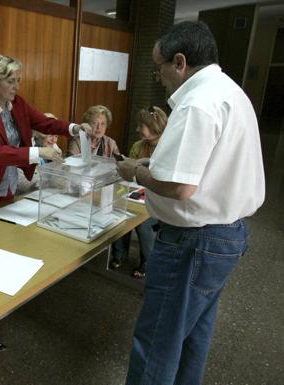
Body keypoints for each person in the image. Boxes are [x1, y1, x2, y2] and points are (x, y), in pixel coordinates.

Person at [117, 21, 264, 385]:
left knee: (157, 343)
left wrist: (135, 172)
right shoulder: (229, 91)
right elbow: (207, 166)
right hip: (225, 237)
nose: (158, 77)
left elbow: (180, 187)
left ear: (179, 62)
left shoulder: (196, 102)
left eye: (159, 67)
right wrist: (154, 165)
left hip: (192, 243)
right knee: (194, 335)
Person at [0, 54, 90, 212]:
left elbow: (45, 122)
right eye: (11, 81)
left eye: (18, 80)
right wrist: (39, 152)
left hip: (9, 186)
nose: (17, 86)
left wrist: (74, 128)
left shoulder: (18, 104)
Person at [110, 106, 168, 279]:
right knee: (119, 209)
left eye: (140, 125)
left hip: (159, 198)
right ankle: (118, 255)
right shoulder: (137, 146)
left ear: (153, 125)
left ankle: (147, 262)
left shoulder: (167, 148)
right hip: (136, 193)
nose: (137, 130)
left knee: (143, 223)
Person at [16, 128, 60, 194]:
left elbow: (59, 177)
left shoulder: (51, 148)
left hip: (45, 192)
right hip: (24, 196)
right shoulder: (25, 149)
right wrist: (50, 182)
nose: (54, 140)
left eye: (56, 136)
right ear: (37, 134)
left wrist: (57, 159)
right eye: (50, 135)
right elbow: (23, 184)